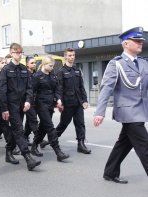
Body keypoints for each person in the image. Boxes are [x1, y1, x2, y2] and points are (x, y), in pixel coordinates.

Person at [94, 27, 148, 184]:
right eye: (136, 41)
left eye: (141, 41)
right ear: (126, 44)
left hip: (141, 110)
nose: (140, 44)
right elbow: (106, 88)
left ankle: (110, 172)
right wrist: (99, 112)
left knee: (124, 143)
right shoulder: (116, 64)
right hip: (128, 112)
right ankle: (111, 172)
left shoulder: (144, 63)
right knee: (144, 145)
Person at [0, 43, 41, 171]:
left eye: (21, 52)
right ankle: (28, 157)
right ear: (11, 53)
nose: (19, 54)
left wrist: (28, 101)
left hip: (22, 105)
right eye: (17, 52)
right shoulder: (6, 70)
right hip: (11, 106)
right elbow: (1, 90)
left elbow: (29, 88)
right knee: (18, 130)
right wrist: (4, 108)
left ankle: (8, 152)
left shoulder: (23, 69)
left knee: (15, 130)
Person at [31, 56, 69, 161]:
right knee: (50, 126)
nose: (52, 68)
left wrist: (59, 99)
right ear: (44, 64)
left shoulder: (52, 75)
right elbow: (32, 91)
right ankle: (58, 152)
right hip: (41, 104)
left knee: (43, 128)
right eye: (50, 65)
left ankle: (34, 146)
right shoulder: (37, 76)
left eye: (53, 66)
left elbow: (57, 89)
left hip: (50, 104)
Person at [54, 47, 91, 154]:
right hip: (67, 103)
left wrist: (85, 100)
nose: (72, 57)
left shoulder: (77, 70)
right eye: (69, 55)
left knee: (80, 123)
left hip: (78, 102)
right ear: (65, 56)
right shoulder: (61, 71)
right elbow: (59, 88)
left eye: (73, 55)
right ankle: (53, 139)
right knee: (64, 123)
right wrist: (59, 101)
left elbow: (81, 87)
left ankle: (81, 144)